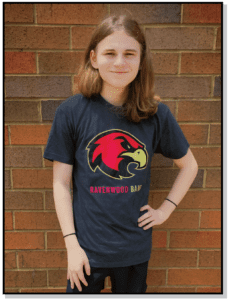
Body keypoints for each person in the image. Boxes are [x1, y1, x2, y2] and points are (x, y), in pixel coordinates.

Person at [43, 14, 198, 294]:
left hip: (134, 252)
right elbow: (60, 184)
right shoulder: (71, 112)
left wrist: (165, 210)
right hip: (86, 252)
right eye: (110, 53)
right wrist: (71, 245)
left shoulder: (156, 114)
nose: (119, 62)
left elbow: (189, 166)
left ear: (141, 61)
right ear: (93, 58)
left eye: (129, 54)